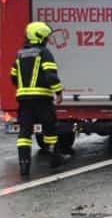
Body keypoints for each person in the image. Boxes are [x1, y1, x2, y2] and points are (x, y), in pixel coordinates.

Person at [10, 21, 69, 176]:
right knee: (50, 128)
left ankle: (24, 165)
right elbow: (50, 75)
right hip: (42, 98)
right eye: (46, 36)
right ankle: (55, 158)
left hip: (24, 99)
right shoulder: (44, 53)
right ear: (41, 36)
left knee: (24, 131)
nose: (48, 39)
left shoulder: (20, 54)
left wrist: (24, 89)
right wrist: (58, 92)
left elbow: (13, 76)